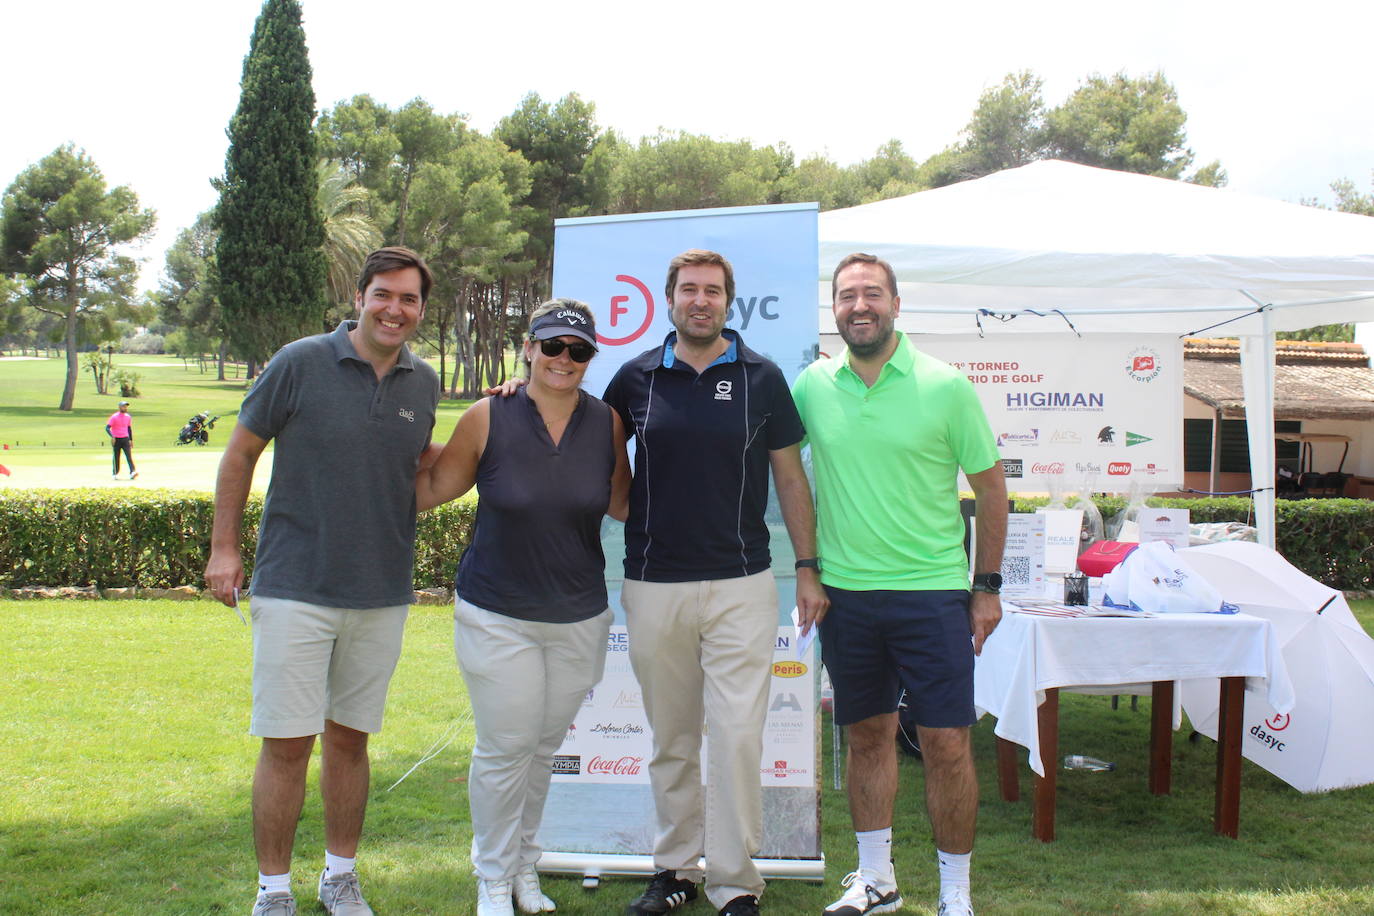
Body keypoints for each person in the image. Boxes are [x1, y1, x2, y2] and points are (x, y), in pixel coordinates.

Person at [204, 247, 440, 916]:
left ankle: (340, 878)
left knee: (350, 741)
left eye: (409, 299)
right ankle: (273, 891)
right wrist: (225, 548)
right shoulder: (299, 362)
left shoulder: (421, 384)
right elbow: (241, 451)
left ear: (422, 310)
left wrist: (502, 417)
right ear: (360, 297)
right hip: (294, 587)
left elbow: (421, 472)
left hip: (381, 592)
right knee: (285, 743)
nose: (395, 308)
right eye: (384, 294)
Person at [604, 250, 828, 916]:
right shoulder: (633, 378)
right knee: (672, 739)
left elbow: (790, 478)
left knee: (735, 737)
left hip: (742, 586)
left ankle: (735, 882)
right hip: (654, 584)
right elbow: (610, 471)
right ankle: (674, 869)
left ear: (728, 302)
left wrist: (809, 568)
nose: (700, 300)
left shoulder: (762, 377)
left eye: (712, 291)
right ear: (668, 299)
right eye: (688, 290)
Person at [792, 253, 1007, 916]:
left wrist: (986, 585)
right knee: (867, 736)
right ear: (834, 309)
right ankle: (877, 880)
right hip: (847, 599)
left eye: (872, 294)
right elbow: (784, 473)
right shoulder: (811, 387)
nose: (860, 306)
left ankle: (955, 896)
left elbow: (992, 489)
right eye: (847, 296)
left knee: (945, 741)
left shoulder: (946, 386)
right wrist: (807, 568)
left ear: (895, 304)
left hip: (933, 595)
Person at [416, 300, 630, 916]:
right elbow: (433, 488)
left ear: (590, 359)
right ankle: (491, 877)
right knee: (504, 748)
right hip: (497, 614)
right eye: (554, 346)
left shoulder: (607, 423)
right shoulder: (490, 413)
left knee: (541, 751)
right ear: (530, 348)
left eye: (580, 350)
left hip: (579, 617)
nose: (565, 359)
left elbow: (624, 505)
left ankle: (524, 869)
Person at [106, 400, 138, 480]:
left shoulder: (128, 417)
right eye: (123, 406)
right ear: (119, 407)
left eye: (126, 406)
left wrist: (131, 440)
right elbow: (107, 428)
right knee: (116, 456)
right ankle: (115, 473)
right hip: (116, 439)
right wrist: (112, 436)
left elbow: (129, 428)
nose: (125, 408)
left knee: (129, 456)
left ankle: (132, 472)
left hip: (125, 439)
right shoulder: (114, 417)